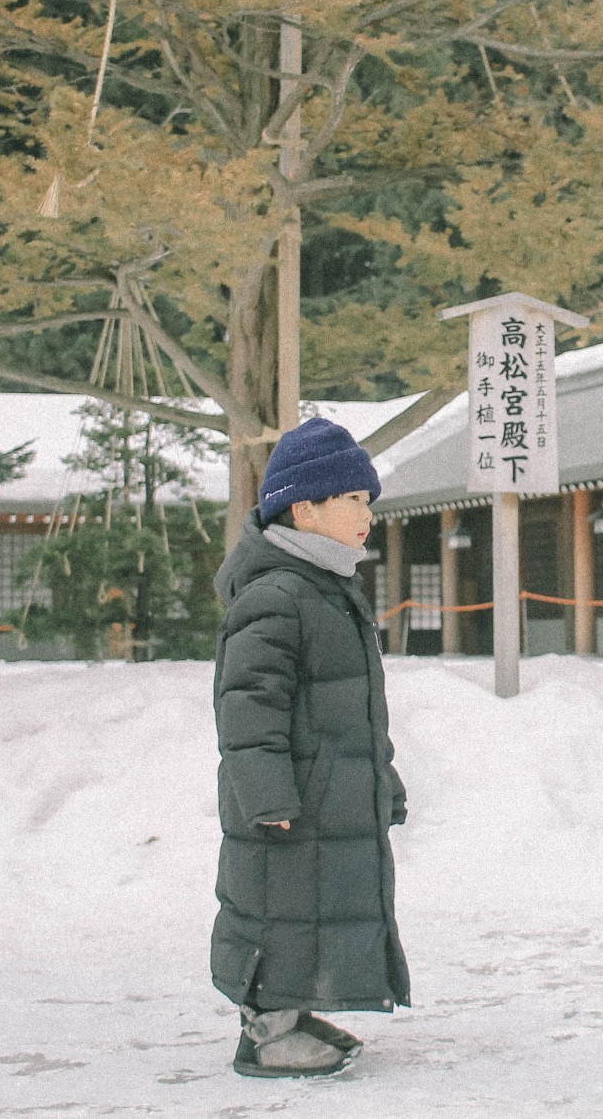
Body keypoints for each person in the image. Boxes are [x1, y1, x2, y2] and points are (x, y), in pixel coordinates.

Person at [209, 416, 411, 1079]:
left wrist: (384, 779)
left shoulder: (325, 588)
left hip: (322, 791)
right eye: (353, 499)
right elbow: (248, 707)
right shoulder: (277, 593)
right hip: (287, 797)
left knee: (310, 907)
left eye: (369, 501)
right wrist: (265, 792)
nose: (366, 514)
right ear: (305, 506)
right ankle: (266, 1032)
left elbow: (351, 713)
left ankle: (292, 1014)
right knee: (279, 907)